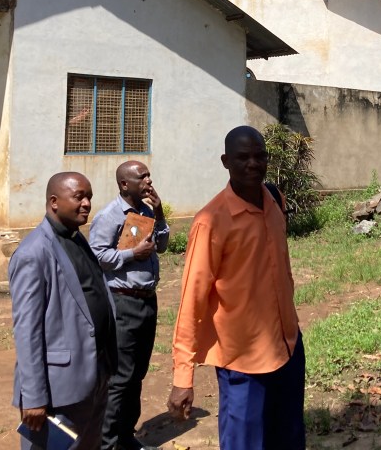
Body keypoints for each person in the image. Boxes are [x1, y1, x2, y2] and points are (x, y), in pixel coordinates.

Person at [167, 126, 305, 449]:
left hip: (287, 347)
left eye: (260, 156)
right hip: (243, 361)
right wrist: (183, 376)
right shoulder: (211, 221)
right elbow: (192, 300)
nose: (253, 164)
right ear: (226, 161)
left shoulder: (275, 200)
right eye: (243, 157)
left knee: (289, 439)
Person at [9, 172, 116, 450]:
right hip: (59, 389)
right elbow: (27, 331)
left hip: (93, 376)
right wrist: (34, 397)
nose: (87, 203)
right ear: (54, 202)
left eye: (89, 197)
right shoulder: (33, 253)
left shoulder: (78, 240)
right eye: (79, 197)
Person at [90, 161, 170, 450]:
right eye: (142, 177)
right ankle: (107, 443)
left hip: (146, 301)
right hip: (122, 302)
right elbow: (97, 256)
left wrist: (159, 213)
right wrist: (132, 255)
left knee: (137, 373)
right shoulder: (109, 216)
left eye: (149, 175)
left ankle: (125, 437)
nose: (149, 181)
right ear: (125, 184)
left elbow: (162, 246)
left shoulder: (146, 212)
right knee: (120, 377)